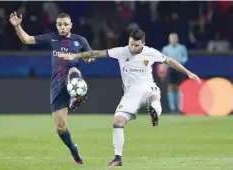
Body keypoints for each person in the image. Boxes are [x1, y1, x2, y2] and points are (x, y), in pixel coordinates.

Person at [59, 29, 200, 166]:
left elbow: (169, 61)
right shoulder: (121, 51)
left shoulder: (150, 52)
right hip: (130, 94)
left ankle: (155, 111)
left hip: (146, 87)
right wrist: (75, 56)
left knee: (154, 96)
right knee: (118, 121)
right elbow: (98, 53)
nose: (132, 47)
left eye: (136, 45)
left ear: (143, 44)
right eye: (131, 43)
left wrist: (188, 73)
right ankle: (117, 158)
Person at [9, 11, 94, 164]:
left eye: (66, 24)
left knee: (73, 71)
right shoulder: (52, 38)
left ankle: (75, 96)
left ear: (71, 25)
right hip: (57, 84)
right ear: (56, 25)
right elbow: (27, 40)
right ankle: (74, 150)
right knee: (60, 127)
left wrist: (80, 57)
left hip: (73, 77)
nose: (63, 27)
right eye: (60, 24)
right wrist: (17, 26)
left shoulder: (80, 41)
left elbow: (91, 56)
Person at [162, 33, 188, 113]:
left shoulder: (182, 48)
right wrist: (163, 71)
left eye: (174, 38)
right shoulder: (166, 48)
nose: (173, 40)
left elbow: (185, 57)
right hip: (170, 69)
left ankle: (179, 108)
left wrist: (180, 61)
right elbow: (163, 60)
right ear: (169, 39)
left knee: (179, 88)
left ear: (177, 39)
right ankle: (172, 108)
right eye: (171, 38)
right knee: (170, 88)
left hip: (179, 68)